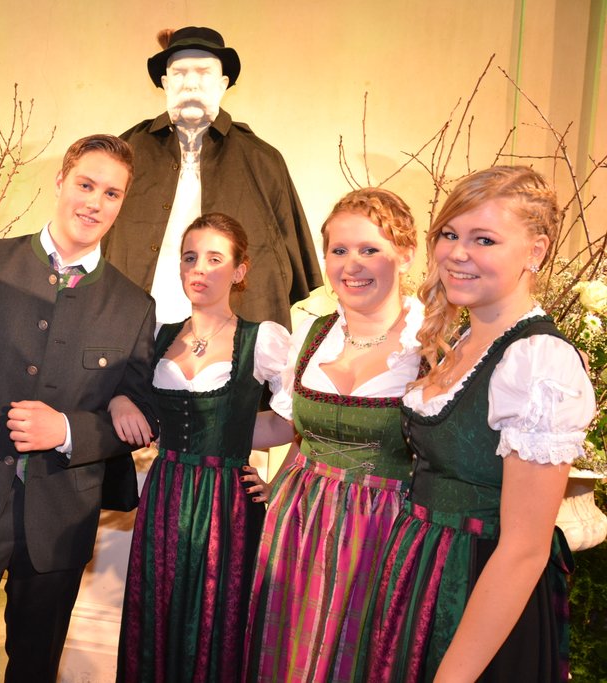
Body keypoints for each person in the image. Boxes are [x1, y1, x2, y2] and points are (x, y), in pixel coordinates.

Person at [0, 134, 157, 683]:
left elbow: (138, 418)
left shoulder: (134, 305)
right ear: (61, 181)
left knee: (35, 669)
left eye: (111, 193)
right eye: (86, 185)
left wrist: (66, 430)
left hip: (62, 518)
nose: (95, 202)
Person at [361, 166, 595, 682]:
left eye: (483, 239)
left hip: (478, 593)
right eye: (449, 234)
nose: (457, 253)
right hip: (421, 577)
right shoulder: (464, 341)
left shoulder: (538, 361)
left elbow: (525, 550)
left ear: (535, 251)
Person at [242, 188, 421, 682]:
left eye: (369, 249)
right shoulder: (313, 334)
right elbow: (291, 428)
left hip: (385, 530)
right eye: (339, 250)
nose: (351, 264)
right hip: (297, 522)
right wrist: (187, 426)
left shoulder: (430, 345)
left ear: (405, 255)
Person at [110, 212, 292, 682]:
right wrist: (118, 401)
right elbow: (123, 393)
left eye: (215, 259)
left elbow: (297, 423)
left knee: (217, 615)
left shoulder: (262, 339)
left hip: (226, 502)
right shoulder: (159, 335)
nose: (199, 269)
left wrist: (282, 483)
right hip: (166, 491)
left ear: (239, 270)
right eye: (190, 257)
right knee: (158, 608)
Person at [103, 26, 322, 328]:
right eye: (179, 74)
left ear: (223, 84)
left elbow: (292, 267)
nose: (191, 84)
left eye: (203, 73)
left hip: (231, 330)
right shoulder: (127, 151)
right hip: (137, 323)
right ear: (165, 83)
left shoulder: (262, 161)